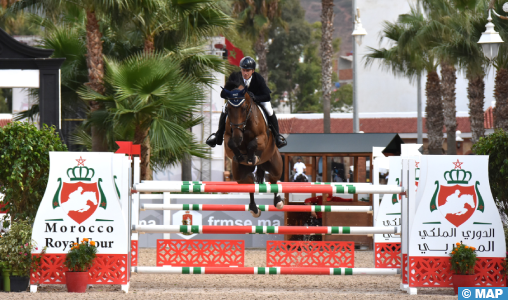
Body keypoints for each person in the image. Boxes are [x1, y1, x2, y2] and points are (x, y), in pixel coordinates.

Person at [205, 56, 287, 149]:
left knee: (269, 110)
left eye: (248, 70)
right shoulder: (235, 77)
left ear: (253, 71)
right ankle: (218, 136)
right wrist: (232, 95)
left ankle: (277, 136)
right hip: (238, 102)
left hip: (257, 100)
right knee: (224, 109)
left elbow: (267, 96)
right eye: (243, 70)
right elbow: (223, 94)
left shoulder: (258, 78)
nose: (245, 73)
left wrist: (255, 97)